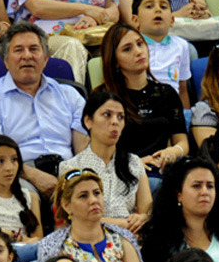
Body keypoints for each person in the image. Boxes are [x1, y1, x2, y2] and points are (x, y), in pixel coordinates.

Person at [0, 21, 87, 198]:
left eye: (34, 49)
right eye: (18, 50)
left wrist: (74, 178)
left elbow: (83, 150)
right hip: (17, 173)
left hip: (68, 169)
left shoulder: (70, 95)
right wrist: (36, 176)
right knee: (26, 196)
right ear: (6, 60)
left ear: (46, 59)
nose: (27, 56)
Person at [35, 168, 146, 262]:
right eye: (83, 196)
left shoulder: (124, 238)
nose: (93, 200)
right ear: (66, 206)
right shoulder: (53, 246)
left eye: (97, 193)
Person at [97, 20, 188, 167]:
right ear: (115, 62)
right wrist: (134, 163)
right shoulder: (103, 98)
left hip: (161, 168)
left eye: (140, 44)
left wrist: (173, 151)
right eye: (127, 49)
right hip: (122, 170)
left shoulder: (166, 93)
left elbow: (182, 141)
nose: (138, 51)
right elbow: (99, 150)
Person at [59, 91, 151, 233]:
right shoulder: (70, 167)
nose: (115, 122)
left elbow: (148, 211)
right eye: (107, 115)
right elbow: (72, 217)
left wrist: (142, 219)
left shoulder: (134, 162)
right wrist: (122, 224)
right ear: (88, 121)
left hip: (132, 236)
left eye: (120, 117)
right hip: (89, 238)